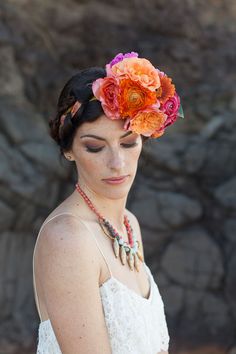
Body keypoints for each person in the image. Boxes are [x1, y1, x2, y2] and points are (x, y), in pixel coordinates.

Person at [32, 51, 183, 354]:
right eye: (94, 147)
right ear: (69, 151)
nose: (117, 162)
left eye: (128, 143)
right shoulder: (68, 238)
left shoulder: (129, 225)